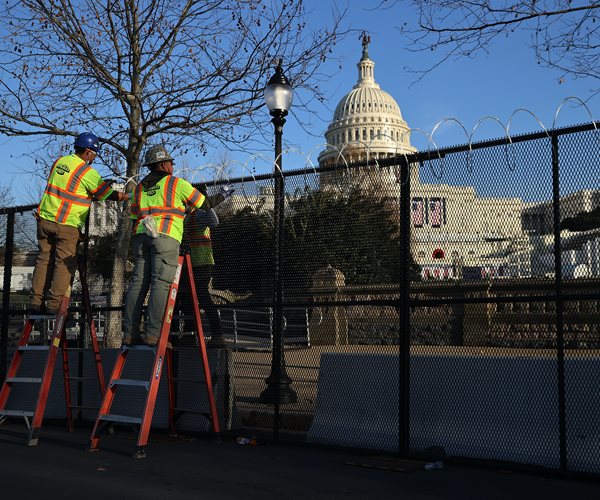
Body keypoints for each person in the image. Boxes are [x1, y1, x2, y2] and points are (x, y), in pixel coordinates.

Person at [122, 145, 233, 347]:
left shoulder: (138, 188)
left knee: (138, 283)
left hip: (140, 237)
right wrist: (224, 195)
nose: (173, 166)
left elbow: (133, 216)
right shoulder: (175, 184)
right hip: (165, 238)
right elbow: (205, 204)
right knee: (161, 284)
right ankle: (153, 334)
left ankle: (129, 333)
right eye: (171, 163)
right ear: (163, 164)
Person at [29, 132, 128, 315]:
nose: (94, 158)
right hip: (66, 224)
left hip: (44, 220)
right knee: (63, 264)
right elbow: (104, 194)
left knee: (43, 261)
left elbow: (70, 185)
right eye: (94, 154)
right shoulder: (86, 171)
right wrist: (122, 196)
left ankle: (35, 302)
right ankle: (53, 305)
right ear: (88, 152)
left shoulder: (59, 162)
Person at [174, 192, 225, 348]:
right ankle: (189, 334)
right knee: (186, 297)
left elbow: (214, 222)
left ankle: (217, 334)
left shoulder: (201, 214)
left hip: (202, 262)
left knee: (202, 295)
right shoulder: (185, 217)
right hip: (187, 263)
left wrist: (206, 205)